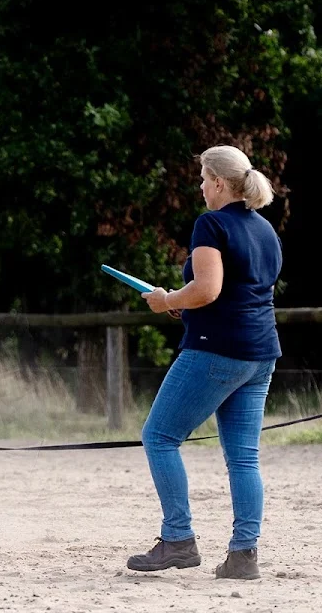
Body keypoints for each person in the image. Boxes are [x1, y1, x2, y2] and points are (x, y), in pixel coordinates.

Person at [126, 144, 281, 581]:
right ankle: (243, 555)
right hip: (260, 353)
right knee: (244, 459)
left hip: (216, 350)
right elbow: (239, 292)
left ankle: (178, 539)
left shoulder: (210, 224)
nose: (199, 186)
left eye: (201, 178)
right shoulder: (266, 230)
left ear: (217, 181)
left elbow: (208, 288)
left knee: (159, 436)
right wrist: (185, 307)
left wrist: (166, 300)